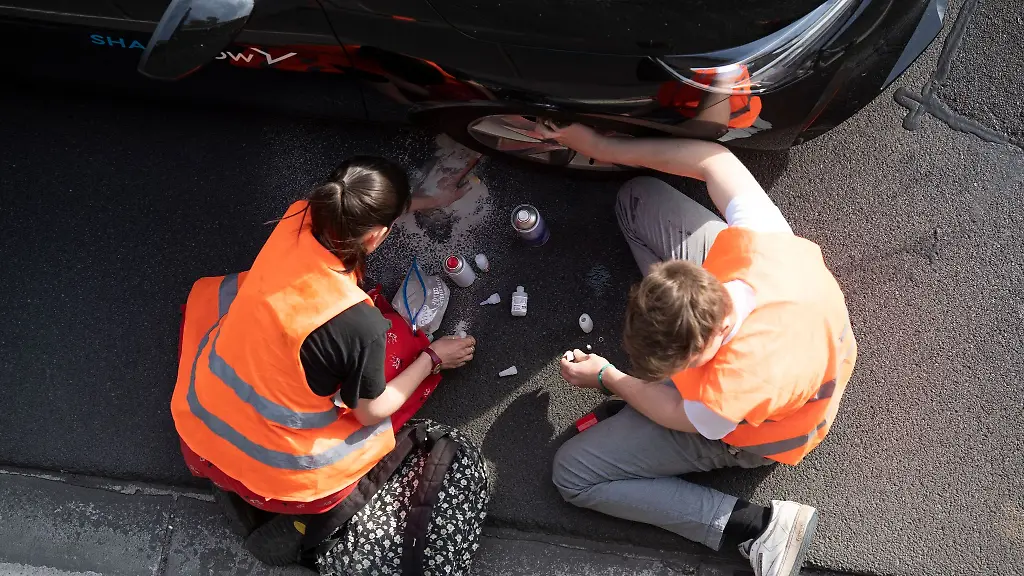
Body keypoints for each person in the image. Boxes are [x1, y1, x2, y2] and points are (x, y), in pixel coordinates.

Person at [540, 122, 856, 576]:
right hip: (812, 324)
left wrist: (609, 378)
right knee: (636, 200)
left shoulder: (730, 389)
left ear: (699, 358)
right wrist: (600, 144)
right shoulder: (762, 243)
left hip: (772, 428)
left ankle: (757, 527)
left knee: (572, 474)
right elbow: (714, 161)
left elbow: (673, 411)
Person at [171, 155, 477, 560]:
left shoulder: (298, 215)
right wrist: (433, 358)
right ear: (377, 236)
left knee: (216, 303)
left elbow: (350, 214)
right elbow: (372, 411)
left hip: (199, 423)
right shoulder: (356, 323)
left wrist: (422, 200)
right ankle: (297, 521)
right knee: (392, 379)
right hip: (277, 470)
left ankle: (234, 486)